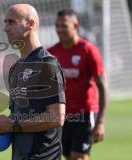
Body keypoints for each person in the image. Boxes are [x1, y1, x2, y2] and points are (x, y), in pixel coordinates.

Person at [0, 4, 66, 160]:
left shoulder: (47, 65)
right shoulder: (15, 68)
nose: (5, 28)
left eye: (11, 22)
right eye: (5, 22)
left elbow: (57, 117)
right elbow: (21, 114)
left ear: (30, 24)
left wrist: (13, 125)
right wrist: (4, 123)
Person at [47, 9, 108, 160]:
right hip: (61, 115)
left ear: (75, 25)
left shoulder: (88, 51)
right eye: (57, 25)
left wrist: (100, 121)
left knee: (78, 157)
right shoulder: (52, 53)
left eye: (64, 25)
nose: (59, 29)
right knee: (67, 155)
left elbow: (102, 86)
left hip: (85, 113)